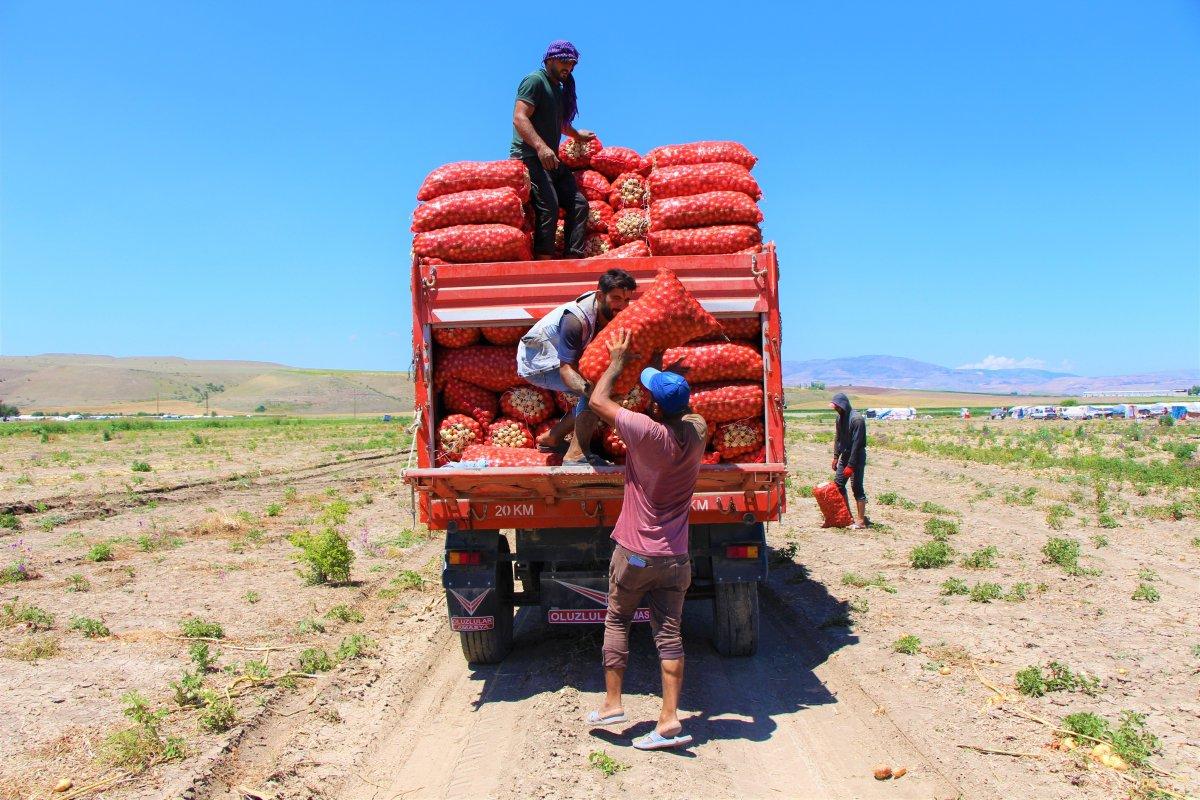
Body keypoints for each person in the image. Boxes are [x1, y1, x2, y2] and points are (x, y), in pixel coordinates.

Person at [583, 328, 707, 751]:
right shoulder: (697, 432)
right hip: (676, 557)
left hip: (635, 553)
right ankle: (669, 720)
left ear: (653, 406)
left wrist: (617, 363)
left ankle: (613, 704)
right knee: (669, 634)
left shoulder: (644, 432)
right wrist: (671, 385)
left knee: (618, 619)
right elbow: (686, 411)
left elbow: (598, 402)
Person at [516, 268, 637, 466]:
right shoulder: (575, 321)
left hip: (564, 359)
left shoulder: (609, 311)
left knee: (600, 389)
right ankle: (576, 454)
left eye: (626, 300)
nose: (623, 306)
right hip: (539, 363)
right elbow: (566, 370)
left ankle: (552, 438)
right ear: (600, 296)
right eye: (616, 298)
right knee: (597, 389)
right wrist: (593, 393)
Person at [510, 40, 594, 260]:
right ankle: (543, 262)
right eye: (564, 61)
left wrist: (576, 135)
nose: (569, 67)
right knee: (549, 205)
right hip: (529, 157)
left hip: (550, 159)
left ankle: (573, 258)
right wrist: (541, 147)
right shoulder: (535, 81)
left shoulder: (558, 89)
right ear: (549, 60)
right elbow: (519, 118)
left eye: (572, 63)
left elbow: (560, 123)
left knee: (579, 204)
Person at [831, 392, 869, 529]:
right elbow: (838, 438)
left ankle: (861, 521)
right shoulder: (839, 418)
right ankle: (848, 517)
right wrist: (836, 456)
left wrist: (851, 465)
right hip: (845, 455)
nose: (836, 409)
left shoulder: (857, 420)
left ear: (844, 405)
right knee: (838, 484)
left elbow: (857, 445)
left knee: (857, 487)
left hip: (857, 456)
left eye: (837, 407)